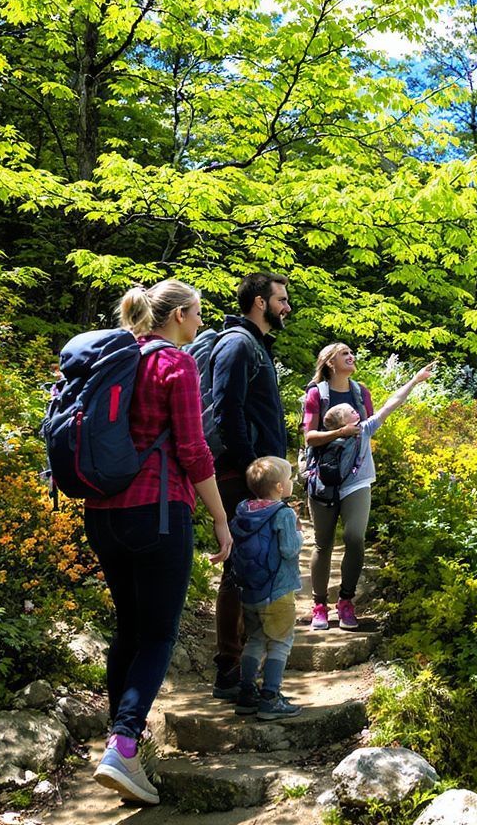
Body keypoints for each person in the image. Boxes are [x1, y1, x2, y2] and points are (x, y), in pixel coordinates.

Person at [85, 280, 232, 806]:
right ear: (178, 315)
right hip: (159, 511)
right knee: (158, 635)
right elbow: (193, 450)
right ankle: (124, 745)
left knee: (128, 629)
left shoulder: (114, 357)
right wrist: (220, 518)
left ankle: (123, 745)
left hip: (102, 514)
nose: (200, 324)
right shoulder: (177, 363)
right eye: (197, 315)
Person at [303, 348, 436, 630]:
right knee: (323, 543)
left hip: (357, 481)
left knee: (354, 537)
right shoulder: (317, 394)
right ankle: (319, 605)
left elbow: (389, 407)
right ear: (330, 362)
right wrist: (338, 434)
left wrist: (414, 381)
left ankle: (346, 601)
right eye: (344, 353)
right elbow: (309, 438)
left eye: (352, 352)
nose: (351, 356)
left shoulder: (361, 394)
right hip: (323, 480)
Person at [208, 273, 291, 699]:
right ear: (260, 302)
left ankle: (245, 671)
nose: (286, 307)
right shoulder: (239, 344)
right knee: (240, 571)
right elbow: (227, 412)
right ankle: (231, 671)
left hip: (253, 474)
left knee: (252, 569)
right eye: (281, 299)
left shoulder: (255, 345)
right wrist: (253, 468)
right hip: (242, 476)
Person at [228, 456, 303, 720]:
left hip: (250, 591)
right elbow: (289, 549)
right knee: (280, 642)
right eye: (290, 478)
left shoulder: (244, 509)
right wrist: (300, 533)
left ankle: (247, 693)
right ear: (280, 488)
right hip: (278, 591)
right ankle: (270, 697)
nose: (292, 482)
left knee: (255, 639)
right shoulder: (283, 513)